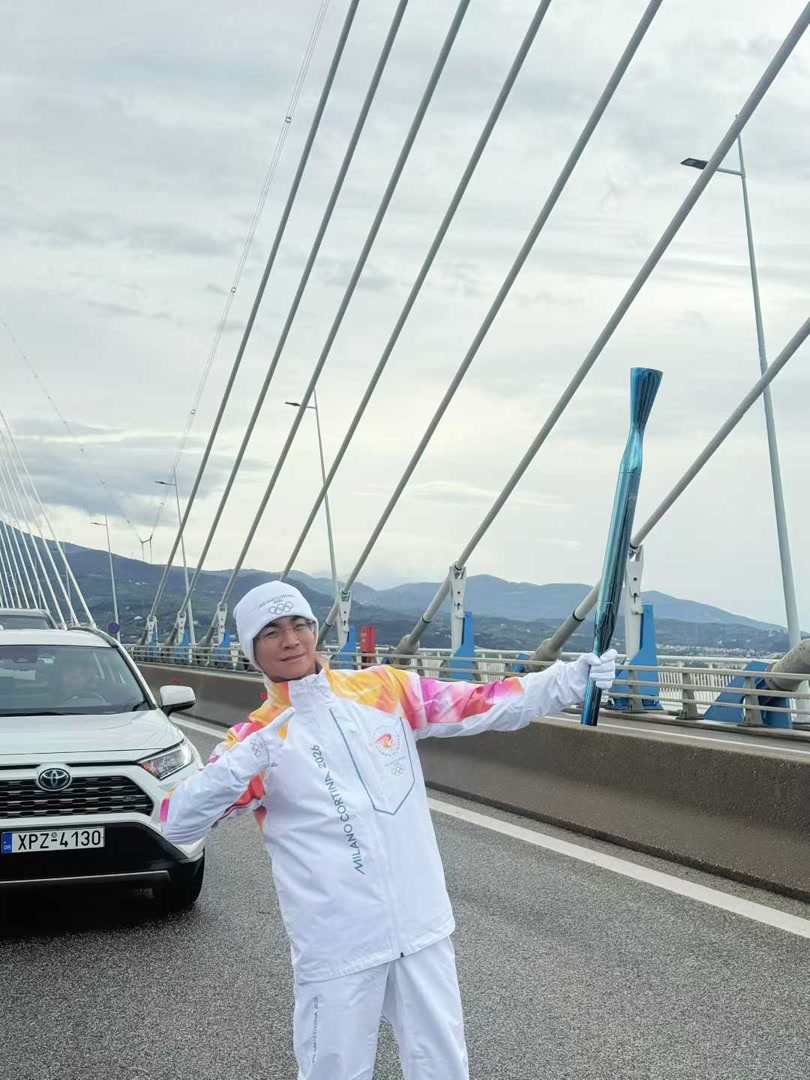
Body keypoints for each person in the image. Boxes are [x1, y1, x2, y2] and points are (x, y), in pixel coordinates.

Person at [161, 581, 617, 1080]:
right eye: (271, 632)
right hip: (338, 943)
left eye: (299, 625)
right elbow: (179, 820)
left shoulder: (383, 689)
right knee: (334, 1071)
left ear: (314, 630)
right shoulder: (256, 739)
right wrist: (244, 761)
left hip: (421, 927)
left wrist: (568, 681)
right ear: (252, 651)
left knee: (443, 1067)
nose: (290, 640)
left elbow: (482, 702)